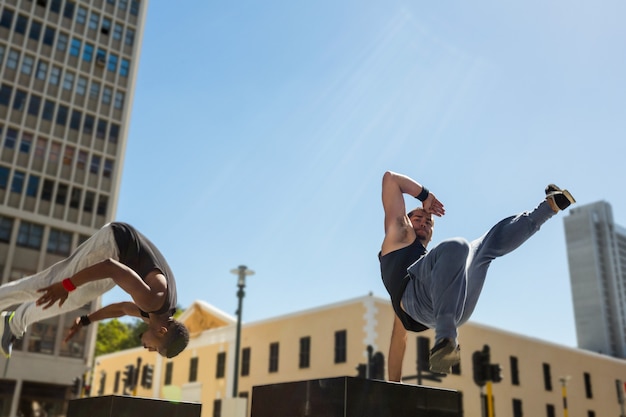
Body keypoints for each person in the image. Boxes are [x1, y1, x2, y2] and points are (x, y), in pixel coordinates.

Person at [379, 171, 575, 380]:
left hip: (452, 310)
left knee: (481, 250)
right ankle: (446, 341)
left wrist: (394, 391)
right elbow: (390, 179)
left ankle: (548, 208)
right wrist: (425, 197)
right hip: (424, 306)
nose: (424, 222)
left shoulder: (434, 269)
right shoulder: (399, 233)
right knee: (458, 246)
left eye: (429, 222)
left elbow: (398, 340)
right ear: (407, 221)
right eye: (418, 219)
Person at [0, 222, 189, 359]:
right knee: (49, 286)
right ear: (162, 331)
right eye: (157, 349)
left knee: (72, 299)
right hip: (114, 244)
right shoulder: (153, 301)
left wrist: (86, 320)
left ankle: (13, 323)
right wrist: (66, 285)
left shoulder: (156, 314)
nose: (149, 350)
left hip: (118, 260)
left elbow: (121, 309)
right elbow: (110, 267)